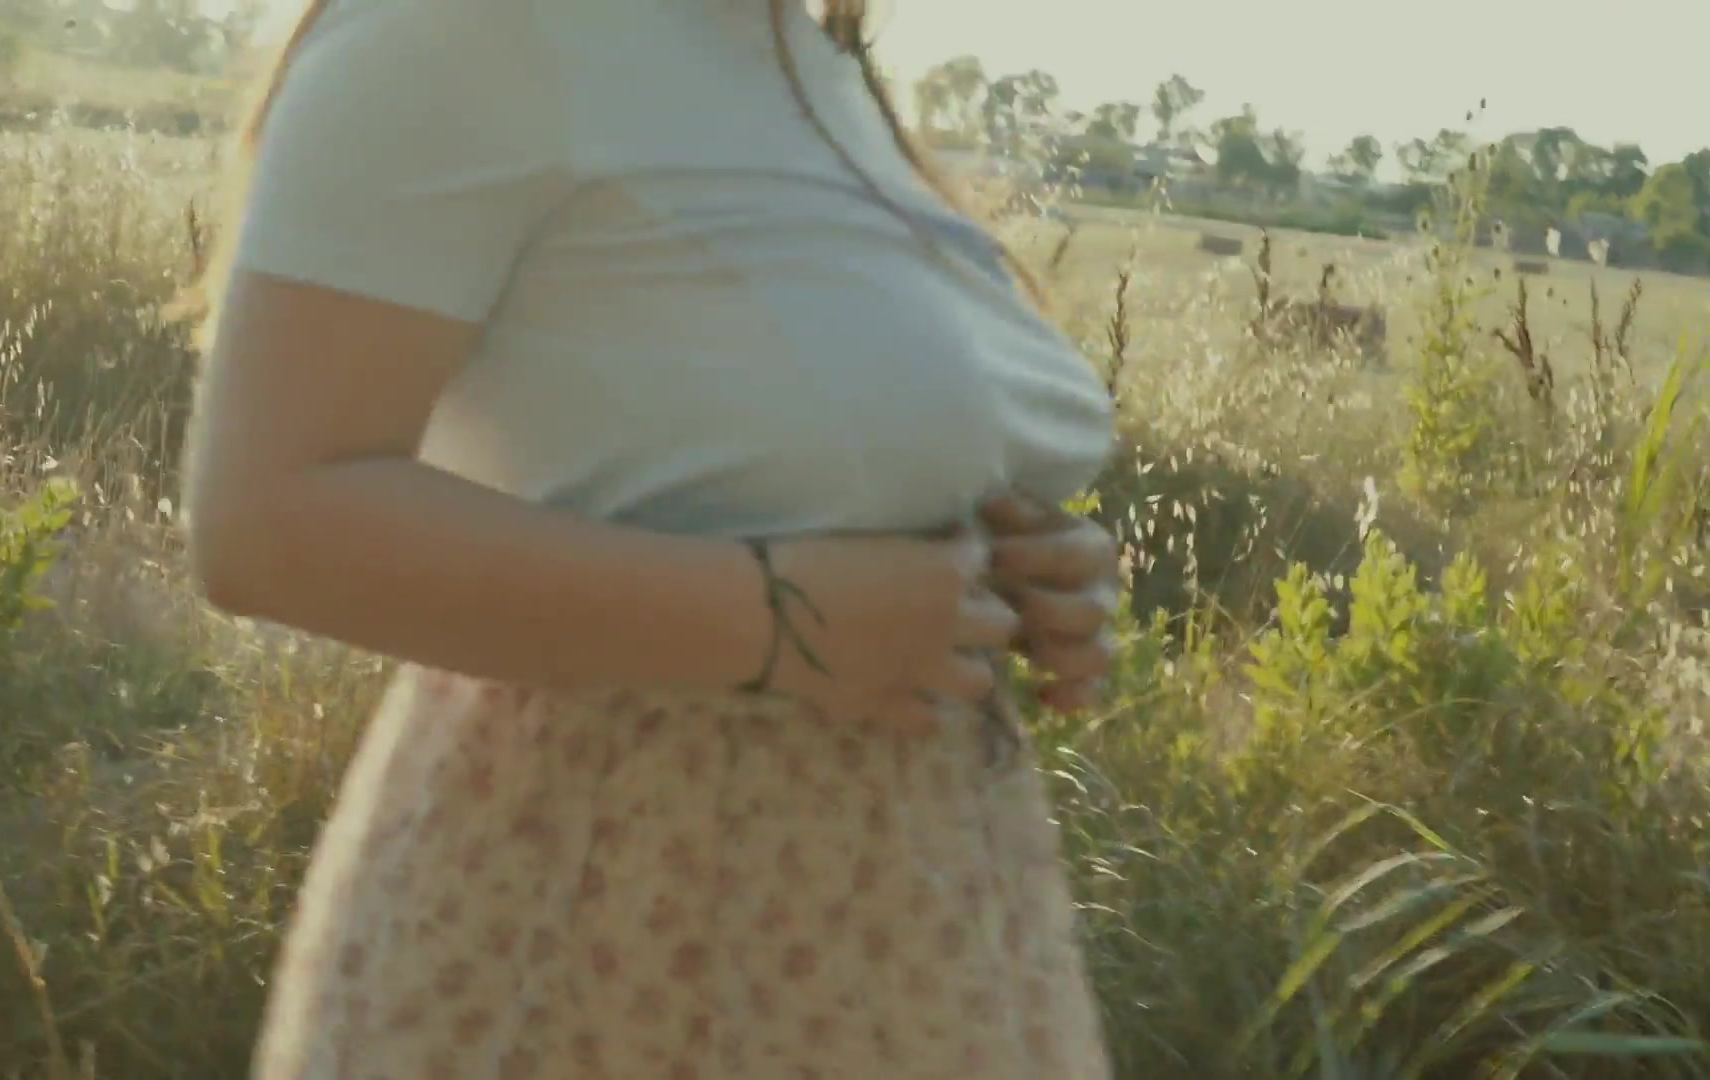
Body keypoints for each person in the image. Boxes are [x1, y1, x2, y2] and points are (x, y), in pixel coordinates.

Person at [178, 0, 1122, 1075]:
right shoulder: (464, 27)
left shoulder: (801, 53)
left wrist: (1021, 577)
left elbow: (790, 454)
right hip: (607, 922)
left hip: (915, 920)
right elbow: (268, 520)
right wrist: (778, 621)